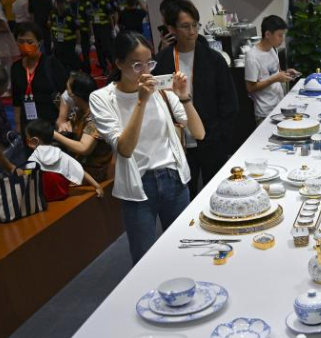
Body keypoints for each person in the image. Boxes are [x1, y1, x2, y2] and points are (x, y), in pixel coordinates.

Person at [90, 31, 205, 264]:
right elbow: (124, 148)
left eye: (149, 63)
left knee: (183, 248)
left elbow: (199, 133)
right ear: (119, 63)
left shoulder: (162, 90)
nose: (145, 71)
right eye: (136, 65)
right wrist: (141, 101)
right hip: (138, 186)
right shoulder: (101, 98)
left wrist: (184, 97)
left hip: (174, 178)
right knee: (143, 257)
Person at [153, 0, 238, 198]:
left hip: (211, 139)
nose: (192, 31)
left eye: (195, 25)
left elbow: (229, 103)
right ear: (171, 28)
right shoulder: (162, 61)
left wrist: (222, 138)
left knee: (216, 194)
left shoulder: (213, 59)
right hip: (177, 142)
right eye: (185, 26)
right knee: (183, 198)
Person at [52, 72, 113, 181]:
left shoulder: (96, 116)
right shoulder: (80, 112)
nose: (66, 95)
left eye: (69, 92)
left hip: (96, 171)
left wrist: (55, 135)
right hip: (82, 167)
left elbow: (84, 148)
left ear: (76, 96)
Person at [11, 22, 68, 135]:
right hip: (28, 125)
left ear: (39, 43)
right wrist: (18, 125)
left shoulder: (52, 64)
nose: (25, 45)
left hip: (52, 124)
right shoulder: (15, 67)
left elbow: (66, 94)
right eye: (21, 41)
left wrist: (62, 119)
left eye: (29, 42)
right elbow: (16, 99)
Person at [26, 118, 104, 198]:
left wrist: (18, 173)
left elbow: (27, 174)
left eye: (27, 137)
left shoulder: (34, 157)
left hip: (43, 197)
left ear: (33, 141)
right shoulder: (59, 154)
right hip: (62, 194)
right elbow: (80, 171)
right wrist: (97, 186)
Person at [244, 15, 299, 125]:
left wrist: (286, 73)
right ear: (268, 34)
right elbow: (250, 88)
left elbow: (276, 72)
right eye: (279, 35)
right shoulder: (252, 57)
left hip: (279, 105)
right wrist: (275, 79)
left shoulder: (273, 49)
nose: (282, 39)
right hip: (265, 112)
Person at [48, 0, 82, 73]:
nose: (59, 5)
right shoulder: (53, 14)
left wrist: (78, 44)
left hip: (69, 45)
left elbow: (77, 31)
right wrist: (52, 41)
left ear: (65, 4)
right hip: (58, 44)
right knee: (59, 65)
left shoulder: (71, 15)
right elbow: (52, 28)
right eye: (57, 3)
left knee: (70, 65)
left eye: (61, 3)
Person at [91, 0, 117, 75]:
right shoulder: (91, 4)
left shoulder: (104, 3)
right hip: (96, 28)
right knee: (99, 50)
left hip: (105, 29)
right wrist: (92, 34)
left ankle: (114, 66)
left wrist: (113, 29)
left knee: (107, 49)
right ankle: (104, 68)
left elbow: (110, 17)